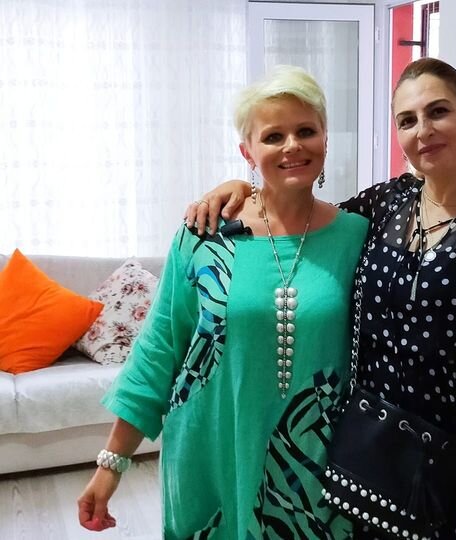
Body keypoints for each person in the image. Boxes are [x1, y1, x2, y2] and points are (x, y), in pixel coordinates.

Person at [185, 57, 456, 539]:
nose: (424, 130)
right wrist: (243, 185)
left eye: (438, 111)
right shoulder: (386, 204)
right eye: (408, 120)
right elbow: (303, 218)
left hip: (454, 466)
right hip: (369, 457)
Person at [77, 66, 368, 539]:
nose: (292, 146)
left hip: (311, 466)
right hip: (208, 452)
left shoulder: (358, 235)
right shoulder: (204, 235)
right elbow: (160, 349)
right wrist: (111, 465)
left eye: (306, 131)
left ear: (326, 139)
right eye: (273, 136)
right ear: (247, 151)